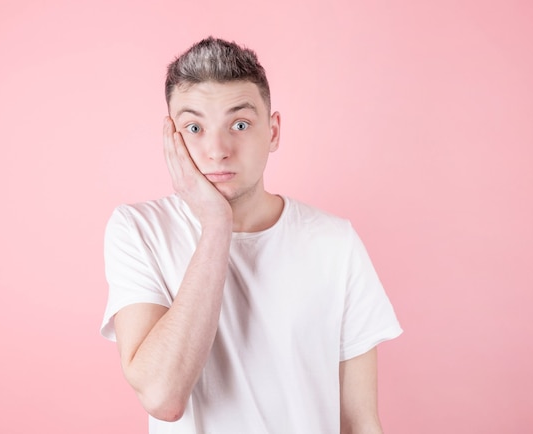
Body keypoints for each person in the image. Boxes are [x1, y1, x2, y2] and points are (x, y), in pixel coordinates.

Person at [101, 36, 402, 434]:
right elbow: (162, 396)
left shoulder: (335, 242)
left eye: (239, 124)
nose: (217, 149)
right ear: (171, 137)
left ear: (273, 131)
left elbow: (360, 421)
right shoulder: (139, 230)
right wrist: (216, 225)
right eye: (194, 127)